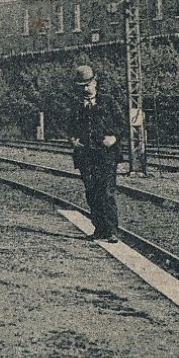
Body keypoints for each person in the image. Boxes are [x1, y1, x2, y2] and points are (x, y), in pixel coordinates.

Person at [66, 63, 122, 242]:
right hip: (85, 156)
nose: (86, 89)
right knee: (92, 192)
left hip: (106, 155)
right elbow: (68, 128)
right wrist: (73, 140)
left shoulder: (108, 101)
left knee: (106, 191)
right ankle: (99, 229)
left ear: (95, 82)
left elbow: (122, 124)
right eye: (82, 87)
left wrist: (114, 138)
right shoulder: (75, 105)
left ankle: (112, 230)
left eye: (88, 85)